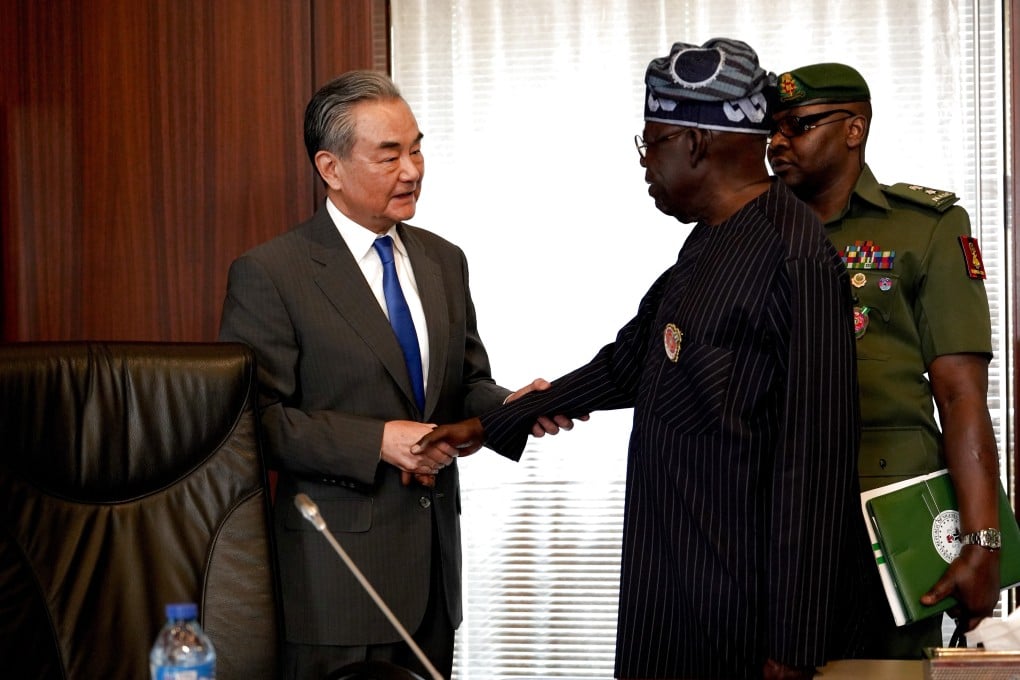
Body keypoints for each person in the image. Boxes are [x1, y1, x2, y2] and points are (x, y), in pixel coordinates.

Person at [413, 39, 868, 680]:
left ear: (695, 143)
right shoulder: (707, 245)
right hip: (669, 592)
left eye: (650, 144)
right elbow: (628, 363)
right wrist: (490, 426)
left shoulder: (796, 259)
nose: (645, 164)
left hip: (740, 619)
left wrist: (791, 649)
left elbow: (815, 466)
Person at [218, 70, 569, 679]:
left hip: (432, 582)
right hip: (334, 586)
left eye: (416, 148)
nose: (413, 170)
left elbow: (461, 383)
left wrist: (510, 404)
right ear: (330, 167)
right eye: (389, 155)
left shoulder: (442, 259)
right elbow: (252, 426)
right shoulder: (271, 273)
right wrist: (377, 441)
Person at [766, 62, 1002, 656]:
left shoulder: (923, 227)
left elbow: (960, 393)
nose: (776, 143)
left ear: (853, 129)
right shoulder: (754, 234)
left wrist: (983, 539)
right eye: (771, 128)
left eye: (797, 125)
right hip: (772, 513)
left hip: (885, 521)